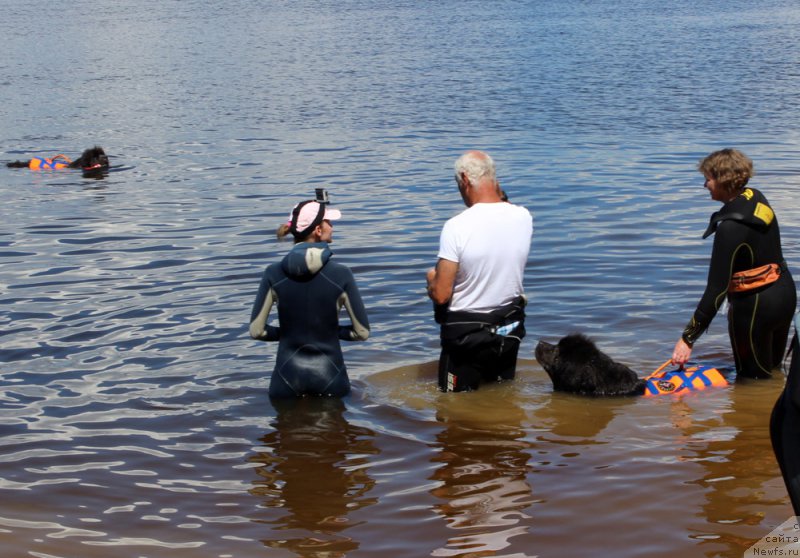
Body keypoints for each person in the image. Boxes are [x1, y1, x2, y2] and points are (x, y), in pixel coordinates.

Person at [671, 148, 796, 378]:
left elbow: (716, 291)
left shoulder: (729, 228)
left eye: (708, 179)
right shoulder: (757, 198)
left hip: (755, 307)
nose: (704, 185)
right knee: (773, 372)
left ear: (722, 180)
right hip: (785, 294)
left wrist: (687, 339)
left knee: (753, 381)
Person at [426, 150, 533, 392]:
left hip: (467, 335)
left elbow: (442, 294)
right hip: (509, 328)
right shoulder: (523, 217)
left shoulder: (456, 226)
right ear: (494, 178)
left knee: (452, 407)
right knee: (502, 398)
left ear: (464, 179)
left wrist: (431, 280)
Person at [249, 193, 370, 398]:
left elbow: (256, 331)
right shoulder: (341, 274)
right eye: (328, 222)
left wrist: (289, 332)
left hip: (285, 378)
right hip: (331, 376)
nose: (332, 226)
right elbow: (362, 332)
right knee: (336, 429)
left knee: (285, 428)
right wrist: (329, 331)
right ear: (318, 230)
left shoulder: (272, 273)